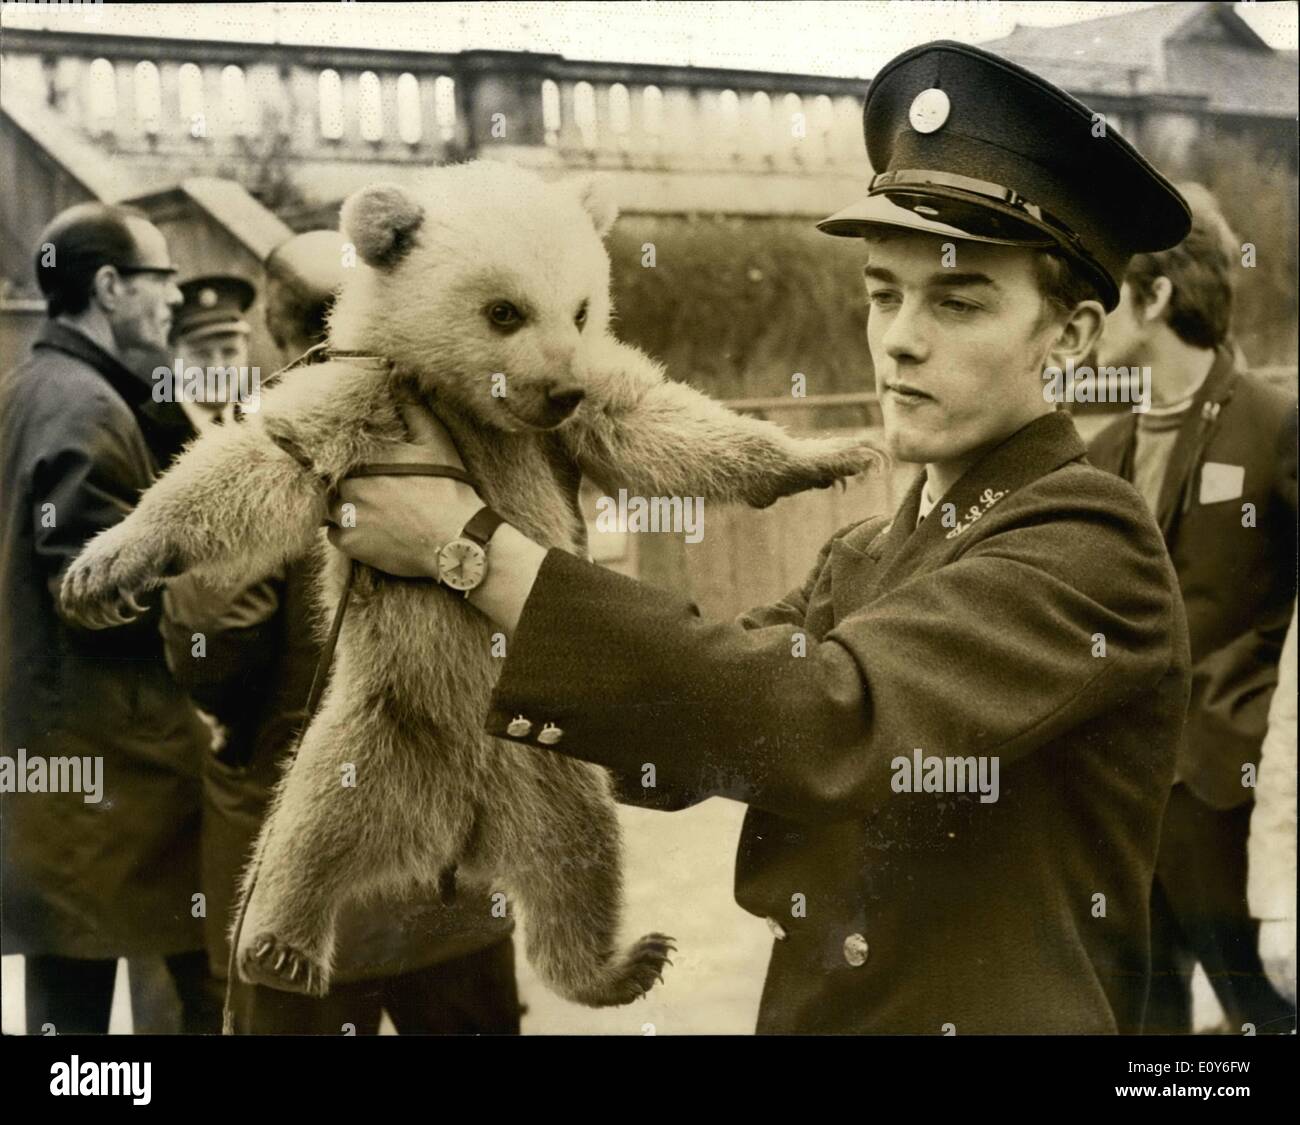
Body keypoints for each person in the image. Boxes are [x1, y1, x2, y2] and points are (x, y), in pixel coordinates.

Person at [322, 42, 1195, 1034]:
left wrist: (471, 547)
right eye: (882, 293)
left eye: (957, 301)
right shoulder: (867, 556)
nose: (900, 337)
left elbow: (825, 725)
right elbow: (691, 735)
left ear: (1071, 336)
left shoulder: (1087, 539)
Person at [160, 231, 520, 1035]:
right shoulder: (473, 428)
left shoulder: (265, 441)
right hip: (456, 873)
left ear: (272, 327)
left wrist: (234, 727)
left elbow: (216, 628)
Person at [0, 202, 218, 1034]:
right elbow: (93, 595)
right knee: (194, 995)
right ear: (110, 286)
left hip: (62, 781)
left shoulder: (34, 387)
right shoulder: (88, 409)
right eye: (162, 280)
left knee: (68, 1012)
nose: (174, 300)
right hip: (113, 775)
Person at [1089, 189, 1298, 1035]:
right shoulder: (1100, 453)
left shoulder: (1276, 426)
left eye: (1105, 288)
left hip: (1231, 805)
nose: (1086, 311)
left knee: (1265, 1022)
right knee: (1151, 1044)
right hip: (1124, 813)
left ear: (1158, 295)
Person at [170, 275, 257, 432]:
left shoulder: (262, 422)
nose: (217, 368)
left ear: (247, 350)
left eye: (230, 352)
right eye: (201, 354)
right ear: (173, 356)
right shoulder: (145, 431)